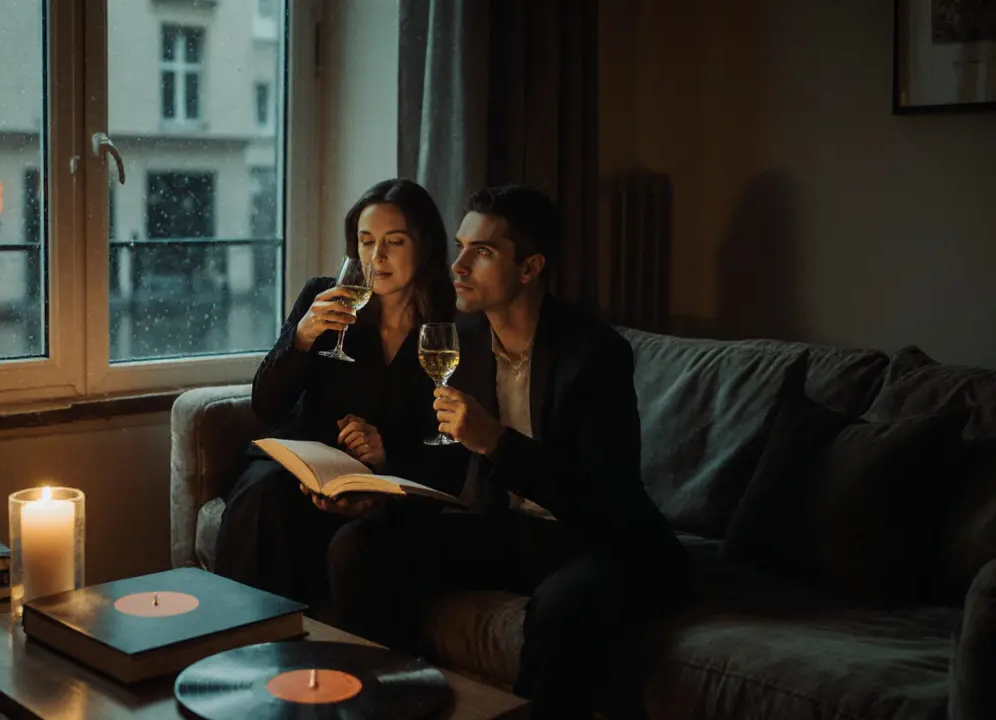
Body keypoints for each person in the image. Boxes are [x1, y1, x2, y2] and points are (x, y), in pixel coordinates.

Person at [326, 185, 692, 719]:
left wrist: (496, 441)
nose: (459, 264)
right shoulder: (462, 340)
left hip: (603, 539)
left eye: (484, 252)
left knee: (564, 606)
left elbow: (602, 498)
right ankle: (394, 704)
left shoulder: (593, 355)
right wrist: (376, 492)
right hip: (514, 531)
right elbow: (442, 465)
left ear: (529, 268)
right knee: (359, 545)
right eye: (460, 246)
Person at [213, 178, 456, 610]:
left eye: (394, 242)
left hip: (381, 484)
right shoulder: (324, 298)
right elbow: (266, 405)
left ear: (425, 246)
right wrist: (302, 338)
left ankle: (317, 660)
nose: (376, 257)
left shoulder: (445, 330)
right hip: (300, 471)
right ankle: (245, 643)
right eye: (366, 242)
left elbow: (447, 451)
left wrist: (385, 455)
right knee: (263, 495)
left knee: (362, 535)